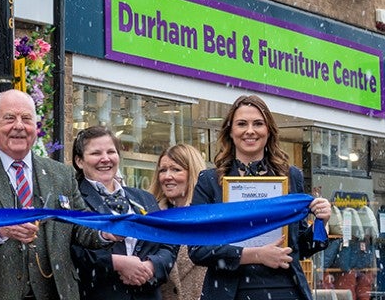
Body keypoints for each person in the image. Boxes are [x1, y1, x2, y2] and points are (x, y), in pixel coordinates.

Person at [0, 89, 112, 300]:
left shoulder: (61, 173)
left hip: (54, 292)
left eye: (26, 118)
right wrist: (0, 230)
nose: (19, 126)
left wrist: (106, 232)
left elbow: (79, 226)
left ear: (35, 126)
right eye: (9, 118)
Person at [189, 94, 332, 300]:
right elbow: (197, 249)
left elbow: (299, 247)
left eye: (258, 123)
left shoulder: (291, 177)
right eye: (241, 124)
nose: (250, 130)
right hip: (229, 292)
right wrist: (255, 255)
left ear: (268, 131)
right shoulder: (209, 181)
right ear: (230, 131)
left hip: (285, 289)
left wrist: (321, 222)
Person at [70, 126, 175, 300]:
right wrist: (116, 264)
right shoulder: (73, 199)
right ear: (80, 161)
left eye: (111, 152)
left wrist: (150, 266)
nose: (105, 159)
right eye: (96, 153)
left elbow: (168, 244)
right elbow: (73, 251)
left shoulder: (144, 198)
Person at [149, 144, 208, 300]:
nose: (167, 176)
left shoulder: (210, 219)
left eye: (176, 169)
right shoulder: (149, 218)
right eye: (162, 170)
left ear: (193, 173)